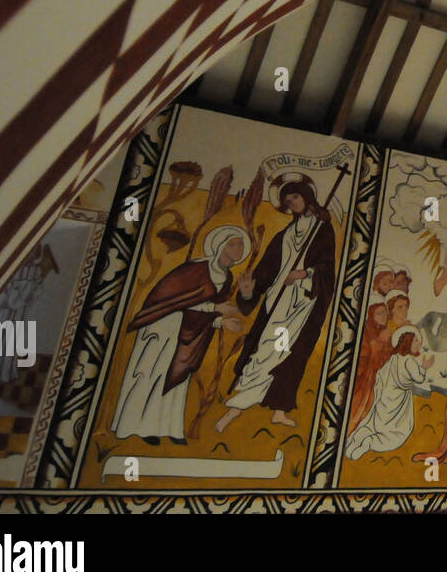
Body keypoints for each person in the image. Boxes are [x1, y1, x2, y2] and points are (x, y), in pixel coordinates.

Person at [216, 179, 336, 433]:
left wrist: (305, 273)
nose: (291, 203)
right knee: (265, 352)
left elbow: (328, 268)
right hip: (278, 302)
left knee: (291, 355)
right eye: (287, 200)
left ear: (306, 197)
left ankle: (279, 411)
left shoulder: (322, 230)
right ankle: (236, 408)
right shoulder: (285, 235)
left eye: (294, 197)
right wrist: (249, 293)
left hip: (303, 304)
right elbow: (266, 271)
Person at [112, 226, 248, 445]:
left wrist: (221, 320)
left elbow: (204, 313)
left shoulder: (227, 276)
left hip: (188, 333)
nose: (238, 248)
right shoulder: (196, 269)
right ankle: (136, 426)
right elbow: (175, 302)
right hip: (164, 326)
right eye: (233, 243)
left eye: (241, 244)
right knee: (151, 374)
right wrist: (218, 312)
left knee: (179, 378)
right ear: (220, 245)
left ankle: (169, 428)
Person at [344, 326, 434, 458]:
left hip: (386, 399)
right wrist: (424, 368)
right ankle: (370, 442)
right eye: (415, 341)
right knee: (397, 432)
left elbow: (381, 375)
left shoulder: (394, 358)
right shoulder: (409, 361)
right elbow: (418, 379)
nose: (419, 344)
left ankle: (359, 437)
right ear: (407, 343)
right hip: (398, 404)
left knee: (373, 425)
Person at [347, 301, 391, 434]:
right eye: (379, 313)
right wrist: (379, 343)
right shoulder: (365, 331)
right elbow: (361, 357)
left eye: (385, 313)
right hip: (360, 380)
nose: (383, 316)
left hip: (371, 381)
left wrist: (384, 343)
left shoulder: (384, 333)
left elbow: (382, 362)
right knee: (355, 407)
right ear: (371, 315)